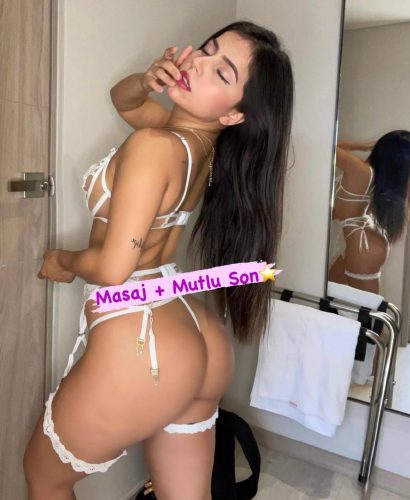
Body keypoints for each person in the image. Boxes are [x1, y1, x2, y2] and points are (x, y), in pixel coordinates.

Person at [23, 20, 294, 499]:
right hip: (195, 333)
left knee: (45, 477)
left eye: (222, 72)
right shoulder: (198, 146)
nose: (198, 64)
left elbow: (113, 270)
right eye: (206, 49)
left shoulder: (156, 145)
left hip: (145, 335)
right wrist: (146, 80)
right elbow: (124, 101)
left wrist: (62, 261)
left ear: (235, 114)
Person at [329, 130, 410, 293]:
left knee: (366, 307)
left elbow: (326, 148)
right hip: (361, 241)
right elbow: (349, 207)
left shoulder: (362, 171)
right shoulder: (376, 178)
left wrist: (363, 145)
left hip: (361, 244)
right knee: (330, 294)